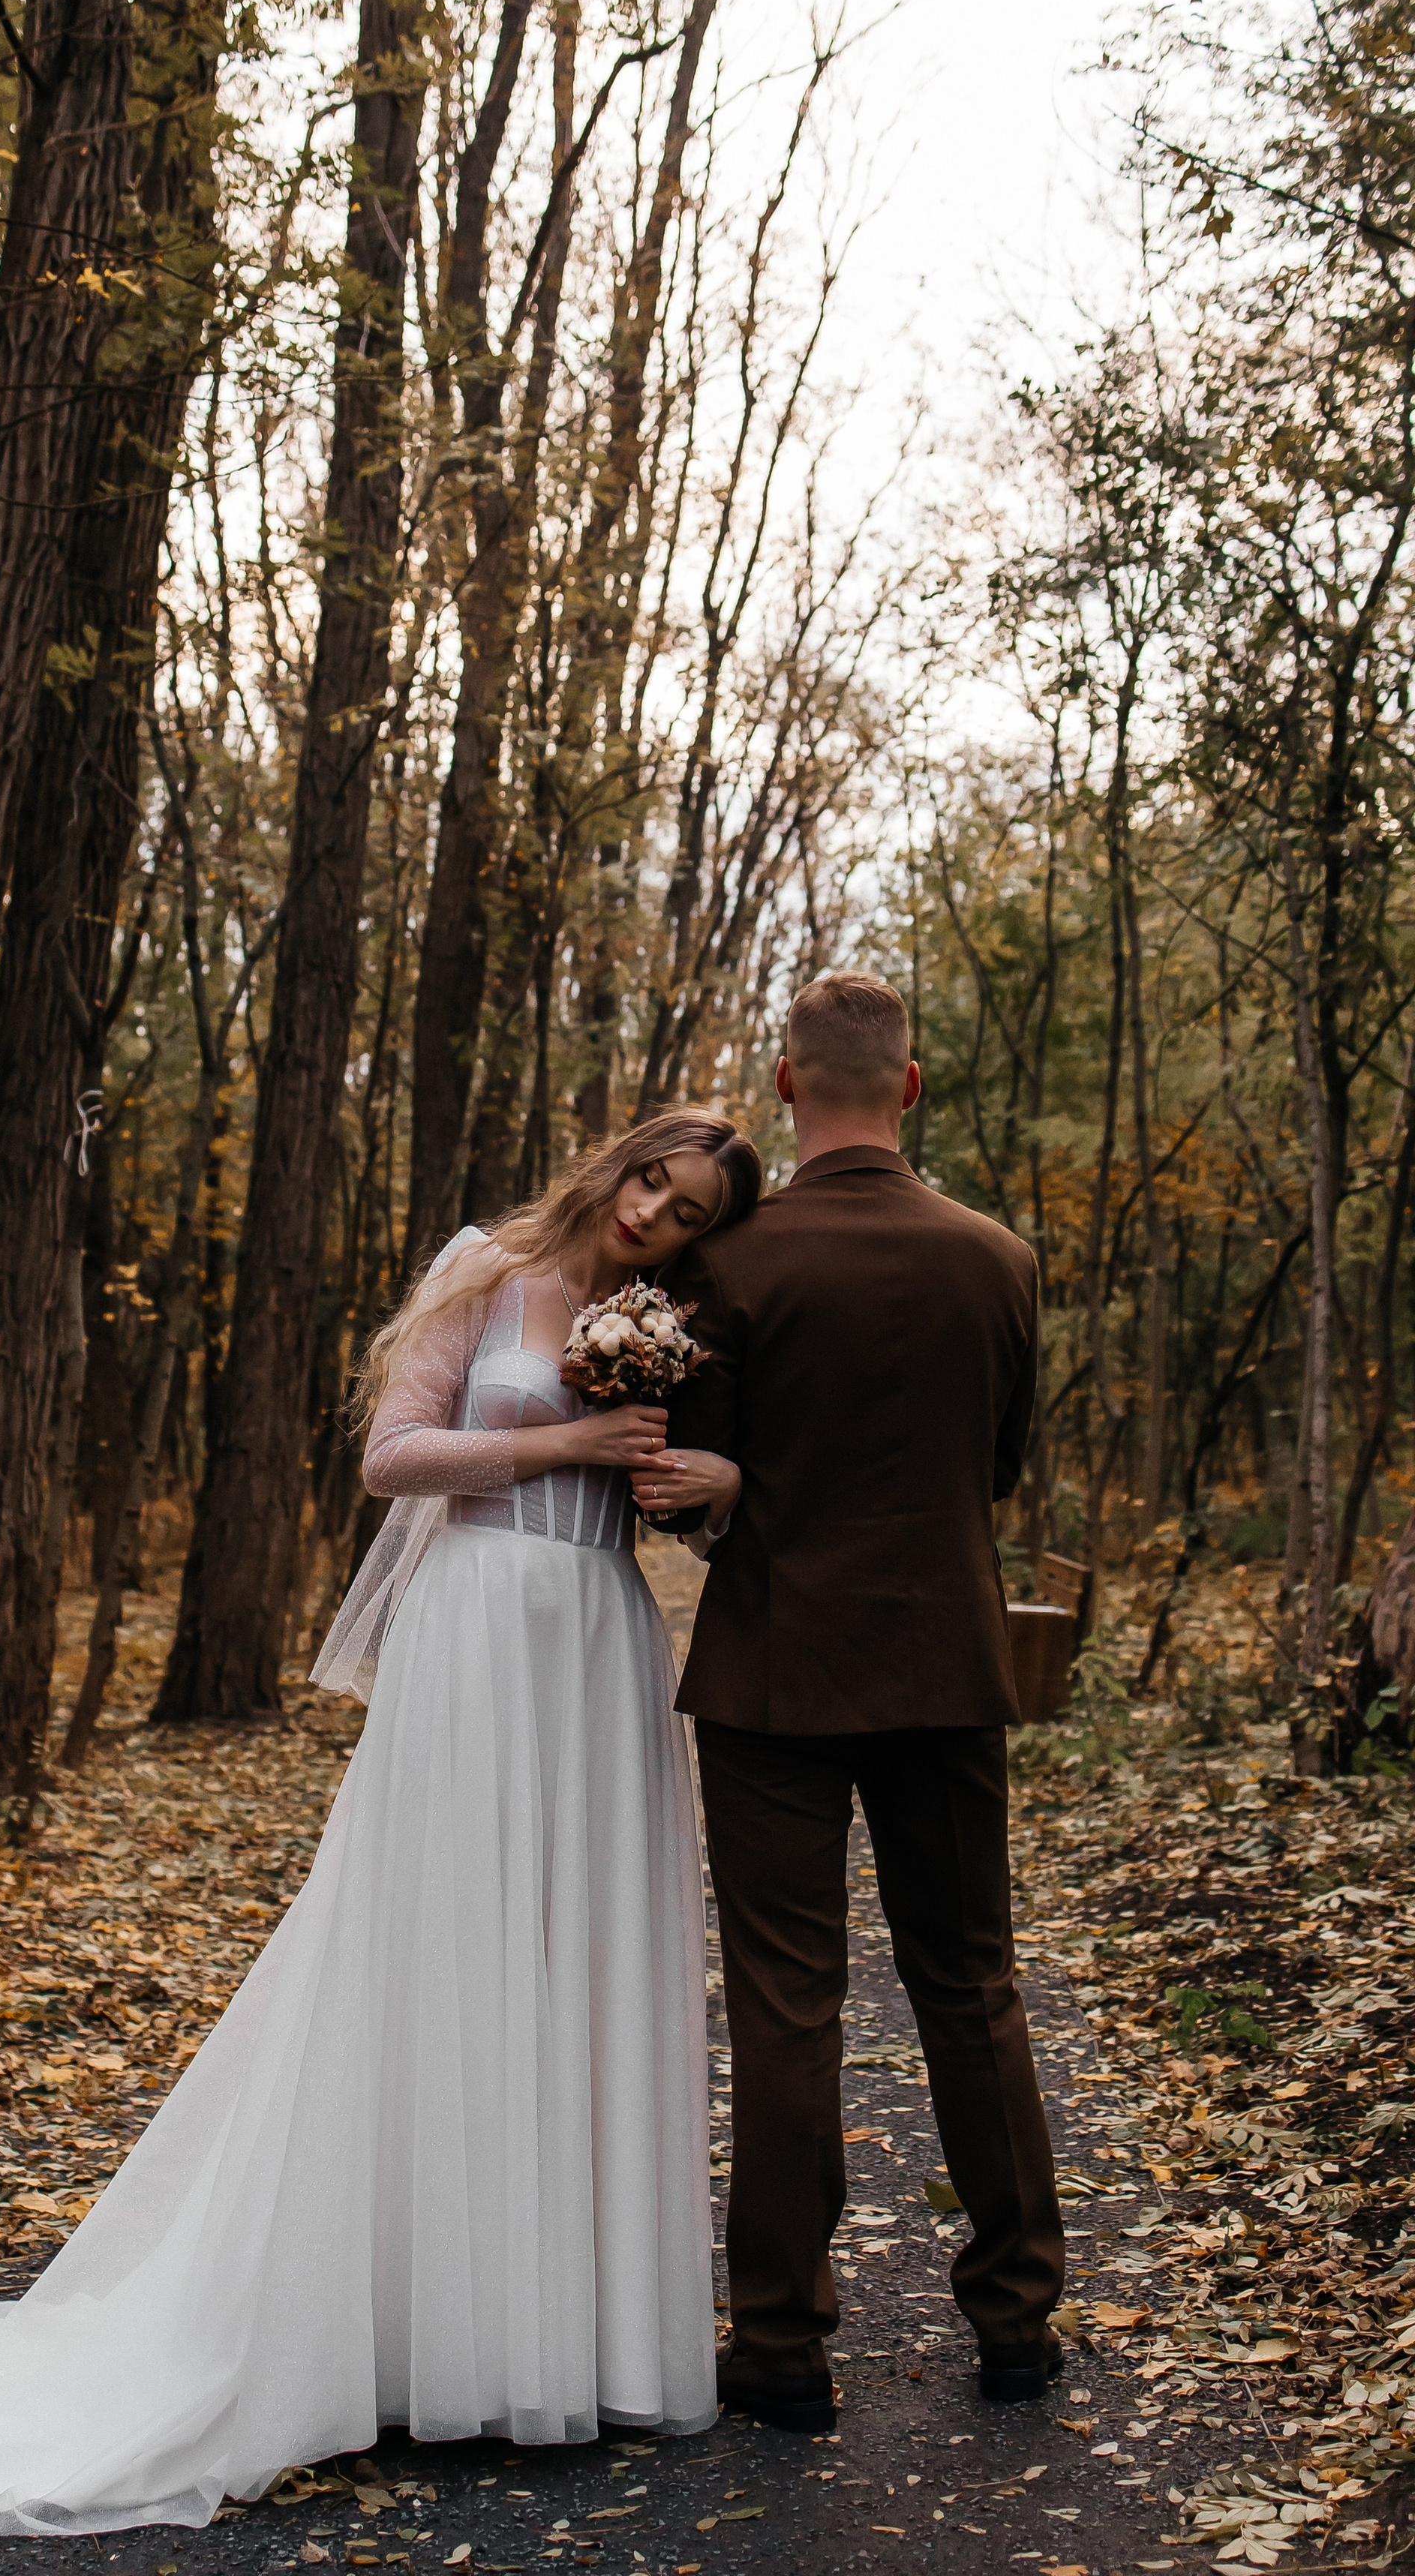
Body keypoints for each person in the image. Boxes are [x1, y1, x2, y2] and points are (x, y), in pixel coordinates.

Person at [0, 1106, 762, 2539]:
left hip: (597, 1645)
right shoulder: (486, 1269)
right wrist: (571, 1436)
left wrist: (696, 1483)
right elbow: (394, 1460)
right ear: (616, 1162)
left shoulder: (672, 1322)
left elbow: (694, 1501)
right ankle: (404, 2325)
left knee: (570, 1956)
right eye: (655, 1176)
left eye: (693, 1207)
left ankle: (558, 2336)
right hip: (474, 1638)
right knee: (442, 1947)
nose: (658, 1209)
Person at [628, 971, 1063, 2433]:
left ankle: (777, 2347)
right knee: (971, 1986)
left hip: (772, 1679)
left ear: (780, 1081)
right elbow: (991, 1471)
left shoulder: (733, 1270)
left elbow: (693, 1493)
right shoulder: (998, 1261)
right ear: (911, 1086)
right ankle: (1014, 2319)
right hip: (945, 1664)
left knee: (785, 2008)